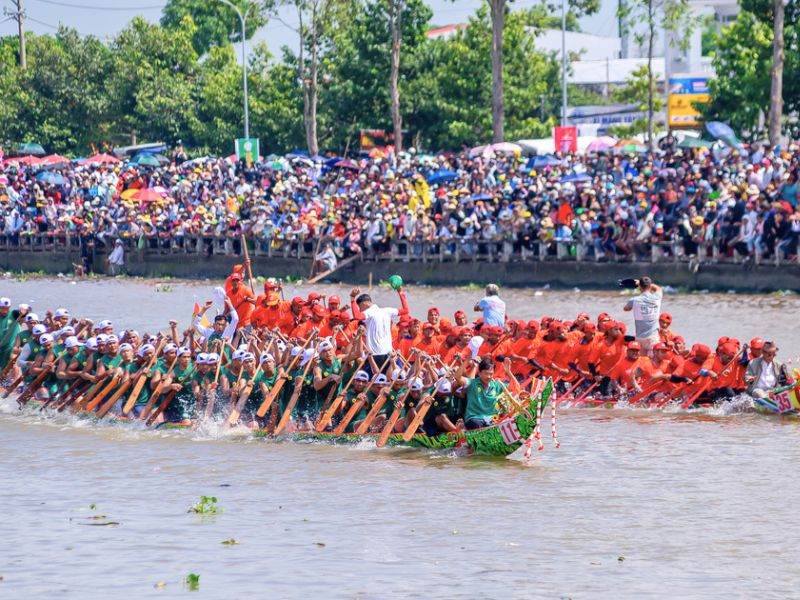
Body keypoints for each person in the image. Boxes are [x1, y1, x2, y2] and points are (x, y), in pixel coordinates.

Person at [349, 285, 409, 373]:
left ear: (365, 304)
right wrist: (400, 292)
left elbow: (357, 316)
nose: (360, 310)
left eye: (360, 307)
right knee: (385, 379)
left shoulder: (369, 312)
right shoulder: (387, 310)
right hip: (388, 354)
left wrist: (352, 298)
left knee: (371, 380)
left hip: (374, 355)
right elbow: (406, 310)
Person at [622, 276, 663, 354]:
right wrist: (645, 284)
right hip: (653, 338)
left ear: (640, 287)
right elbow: (658, 289)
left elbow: (625, 309)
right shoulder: (657, 297)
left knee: (641, 363)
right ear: (650, 286)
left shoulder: (634, 300)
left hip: (640, 338)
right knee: (653, 363)